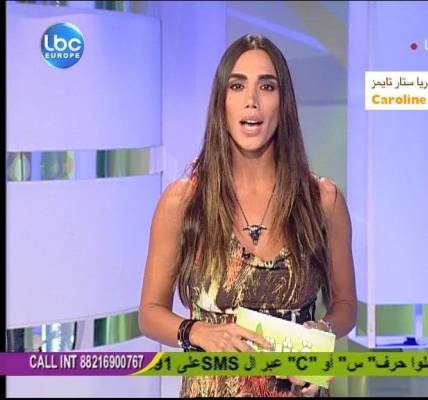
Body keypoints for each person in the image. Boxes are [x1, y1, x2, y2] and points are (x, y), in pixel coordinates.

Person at [139, 33, 357, 397]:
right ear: (221, 101)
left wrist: (323, 334)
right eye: (237, 86)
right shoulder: (183, 201)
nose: (251, 101)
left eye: (266, 86)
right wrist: (198, 332)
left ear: (283, 103)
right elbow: (150, 312)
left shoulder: (322, 201)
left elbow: (346, 305)